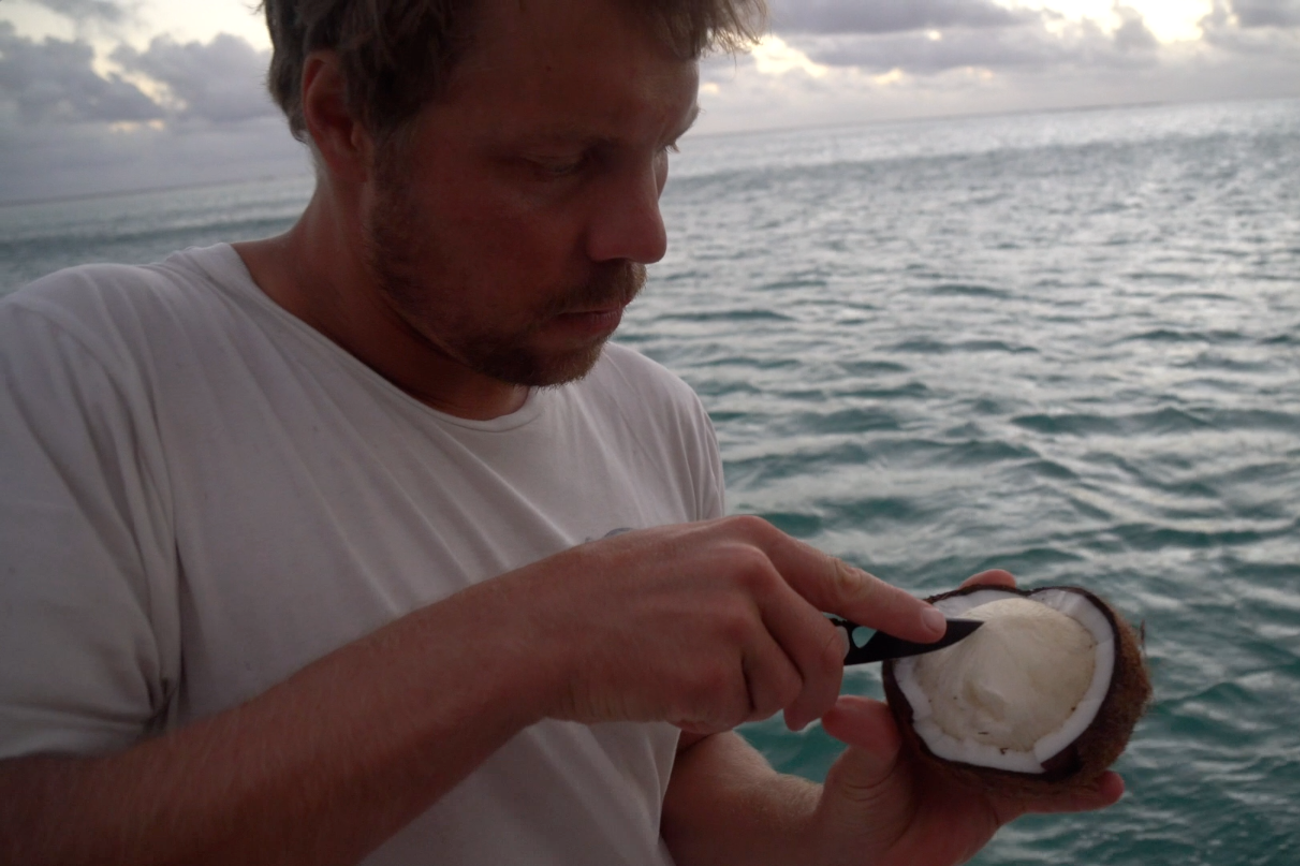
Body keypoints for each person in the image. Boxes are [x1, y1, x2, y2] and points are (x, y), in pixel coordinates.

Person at [0, 0, 1123, 862]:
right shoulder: (88, 373)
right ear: (343, 117)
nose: (645, 233)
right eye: (555, 162)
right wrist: (533, 640)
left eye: (662, 149)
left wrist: (825, 841)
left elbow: (667, 771)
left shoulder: (652, 411)